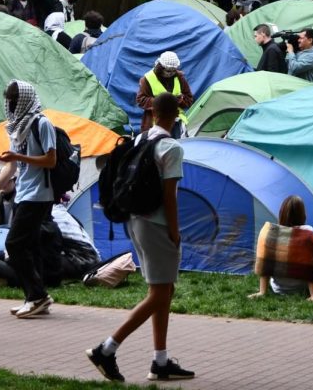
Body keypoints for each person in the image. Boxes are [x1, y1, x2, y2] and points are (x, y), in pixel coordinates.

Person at [86, 92, 192, 383]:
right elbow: (169, 196)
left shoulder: (138, 140)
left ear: (153, 114)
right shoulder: (171, 147)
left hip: (134, 220)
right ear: (177, 115)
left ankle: (160, 361)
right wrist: (175, 230)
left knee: (163, 291)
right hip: (156, 225)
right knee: (159, 293)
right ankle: (106, 349)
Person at [0, 80, 57, 318]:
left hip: (40, 194)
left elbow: (51, 160)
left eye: (13, 100)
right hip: (24, 193)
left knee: (13, 244)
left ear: (23, 100)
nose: (9, 105)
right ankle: (36, 298)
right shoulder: (16, 127)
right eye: (8, 100)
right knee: (29, 247)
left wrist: (19, 155)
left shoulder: (42, 123)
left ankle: (37, 295)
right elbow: (11, 168)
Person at [248, 195, 313, 301]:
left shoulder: (270, 233)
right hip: (303, 289)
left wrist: (262, 292)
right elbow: (311, 265)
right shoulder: (308, 232)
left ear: (281, 213)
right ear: (302, 214)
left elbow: (265, 263)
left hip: (279, 289)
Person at [134, 52, 193, 133]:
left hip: (176, 122)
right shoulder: (147, 79)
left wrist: (180, 100)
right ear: (160, 67)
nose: (171, 73)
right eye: (168, 71)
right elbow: (141, 100)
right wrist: (162, 102)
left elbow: (189, 99)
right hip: (154, 124)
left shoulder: (179, 77)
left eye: (174, 71)